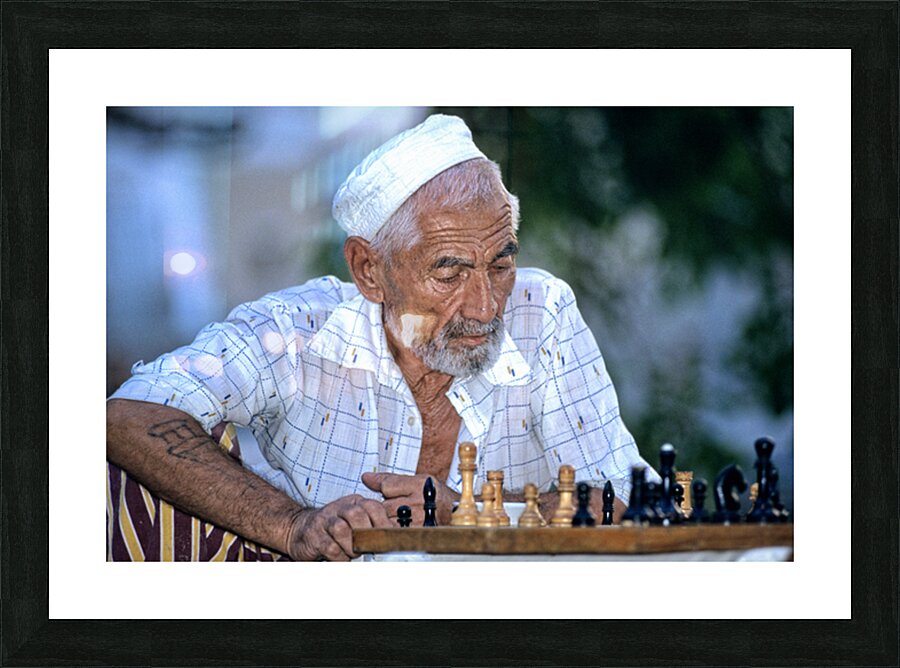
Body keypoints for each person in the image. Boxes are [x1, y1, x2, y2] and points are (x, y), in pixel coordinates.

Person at [107, 114, 654, 561]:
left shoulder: (542, 314)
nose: (487, 305)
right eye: (449, 271)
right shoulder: (296, 334)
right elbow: (129, 414)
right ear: (369, 270)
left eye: (501, 262)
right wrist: (294, 526)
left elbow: (632, 499)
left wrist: (465, 509)